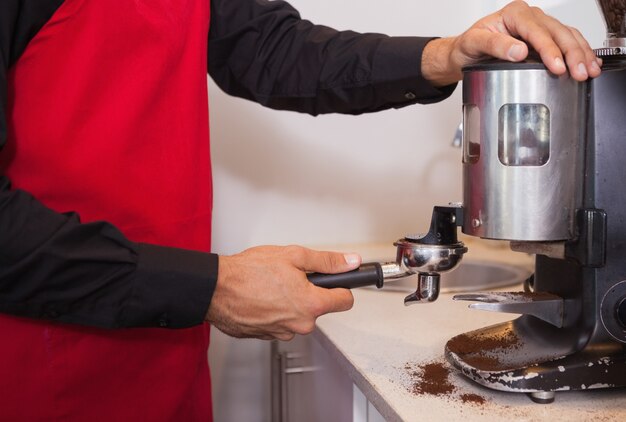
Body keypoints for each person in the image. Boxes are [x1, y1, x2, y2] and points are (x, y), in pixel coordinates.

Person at [0, 0, 599, 420]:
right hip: (40, 362)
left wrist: (447, 54)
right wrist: (205, 286)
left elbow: (273, 49)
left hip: (165, 349)